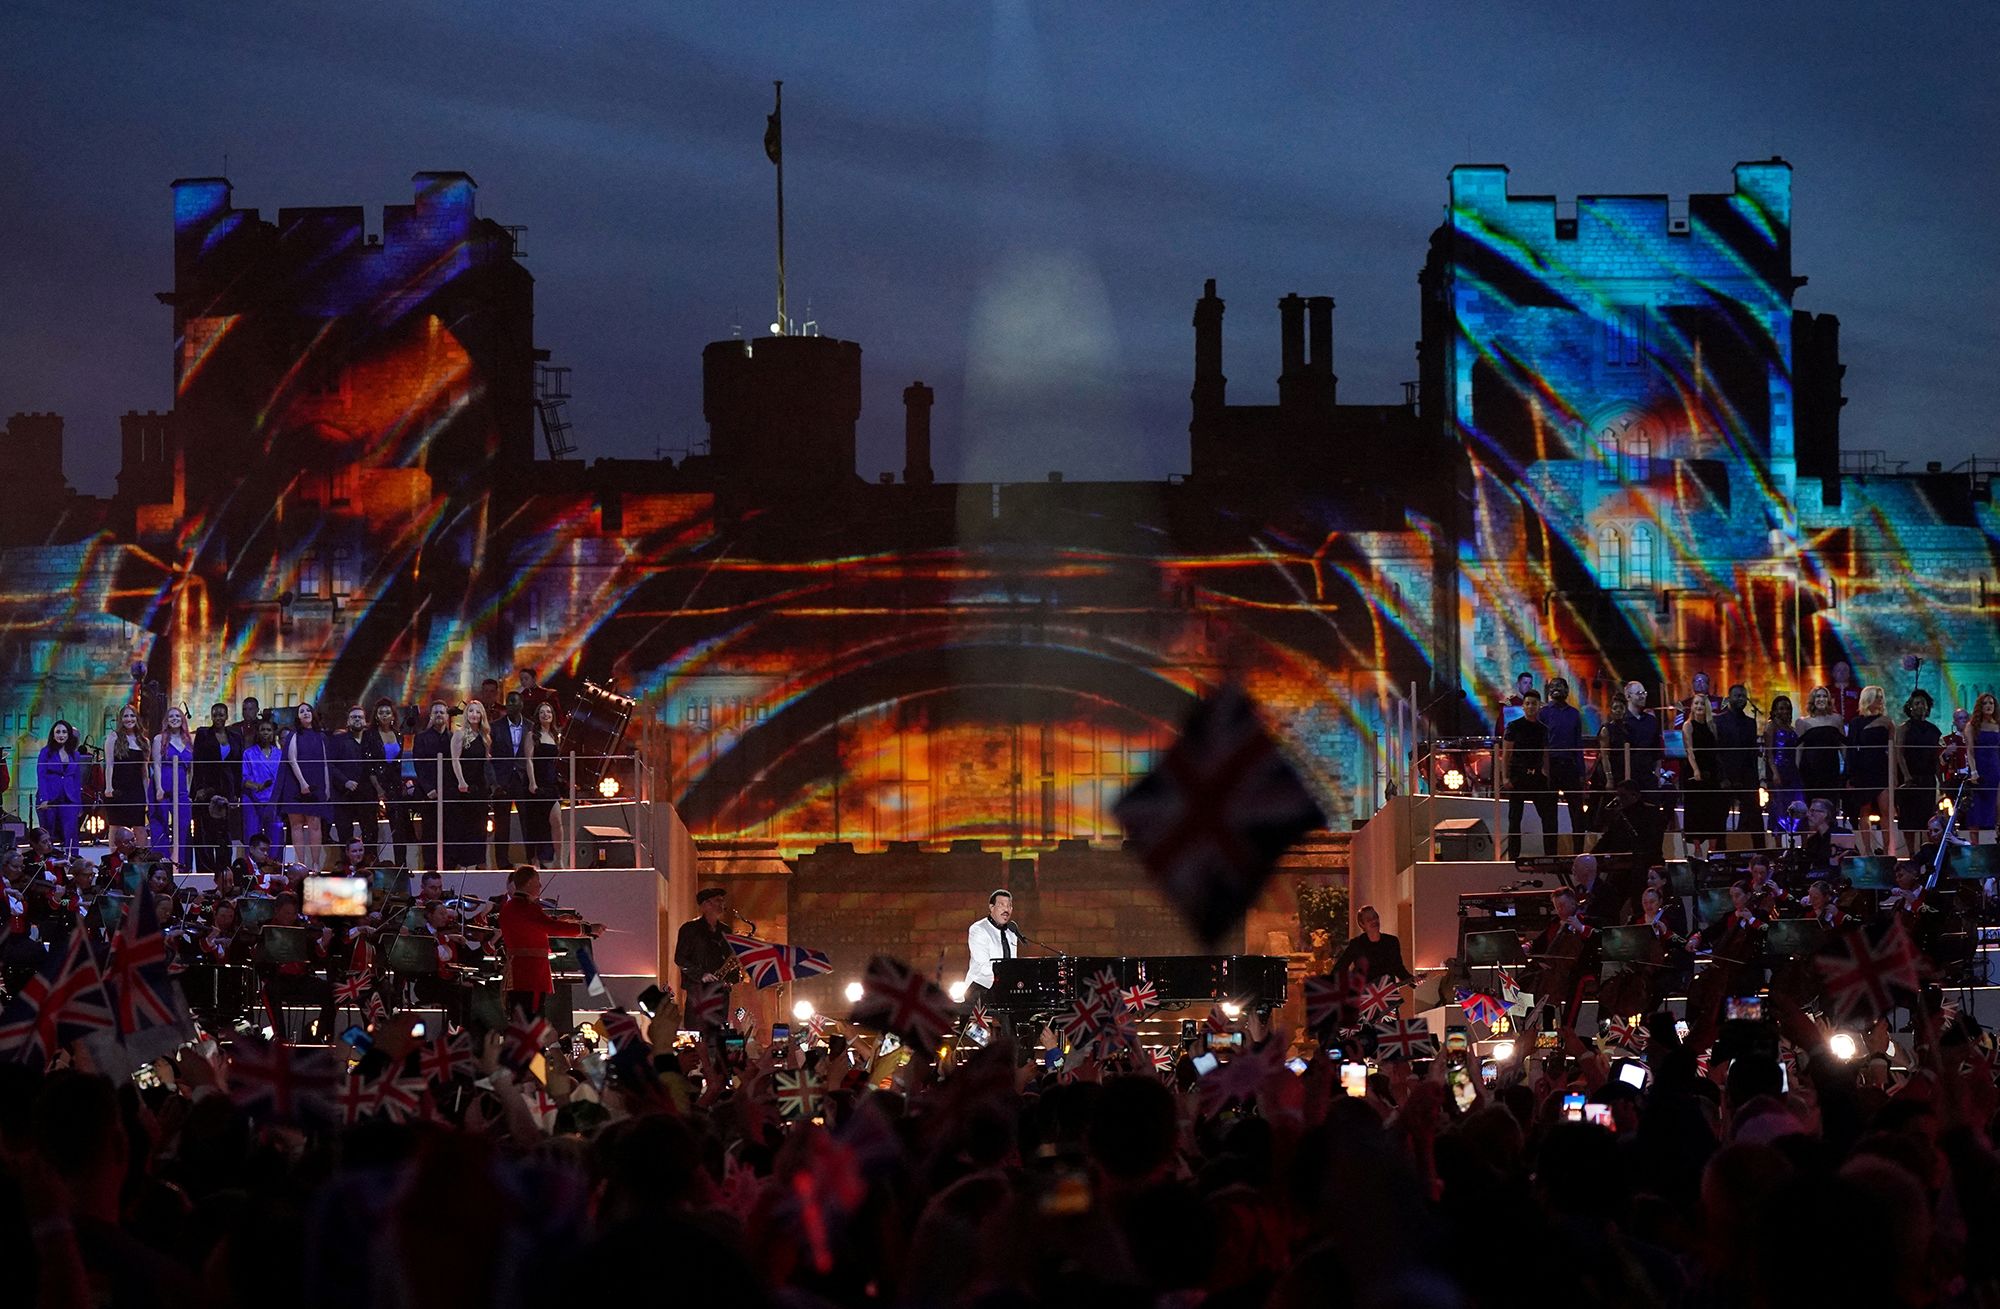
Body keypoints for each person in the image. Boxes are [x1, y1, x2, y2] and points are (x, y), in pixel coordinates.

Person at [498, 863, 600, 1019]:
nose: (540, 885)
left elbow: (532, 926)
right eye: (537, 881)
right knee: (533, 1018)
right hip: (532, 973)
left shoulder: (509, 908)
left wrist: (557, 919)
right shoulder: (528, 908)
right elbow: (550, 927)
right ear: (529, 883)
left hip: (517, 972)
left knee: (521, 1018)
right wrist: (586, 929)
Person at [273, 701, 332, 872]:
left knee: (315, 823)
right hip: (295, 784)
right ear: (297, 717)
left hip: (316, 783)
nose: (305, 713)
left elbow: (326, 763)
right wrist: (302, 783)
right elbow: (292, 760)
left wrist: (327, 787)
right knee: (296, 824)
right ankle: (301, 863)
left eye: (308, 710)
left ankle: (315, 863)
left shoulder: (320, 736)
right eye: (301, 711)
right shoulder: (294, 735)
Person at [1501, 687, 1554, 859]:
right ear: (1523, 706)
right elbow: (1506, 754)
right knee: (1515, 818)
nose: (1531, 707)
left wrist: (1546, 774)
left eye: (1534, 704)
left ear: (1539, 706)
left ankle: (1550, 855)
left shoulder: (1543, 729)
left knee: (1547, 817)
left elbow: (1545, 753)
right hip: (1518, 775)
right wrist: (1505, 777)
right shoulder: (1514, 726)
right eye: (1528, 704)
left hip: (1537, 777)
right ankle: (1513, 857)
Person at [1845, 686, 1897, 856]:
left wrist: (1894, 774)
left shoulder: (1887, 721)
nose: (1881, 700)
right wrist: (1850, 776)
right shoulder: (1856, 722)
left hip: (1881, 768)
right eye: (1877, 697)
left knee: (1886, 811)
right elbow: (1851, 749)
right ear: (1868, 699)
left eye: (1881, 697)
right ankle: (1867, 850)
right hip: (1863, 769)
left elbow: (1893, 749)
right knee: (1864, 811)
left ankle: (1888, 850)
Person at [191, 701, 242, 873]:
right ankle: (205, 870)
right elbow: (197, 762)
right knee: (204, 832)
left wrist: (236, 793)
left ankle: (223, 870)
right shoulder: (203, 734)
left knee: (224, 833)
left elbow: (237, 766)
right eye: (215, 715)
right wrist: (199, 788)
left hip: (226, 789)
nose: (218, 718)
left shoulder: (235, 736)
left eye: (221, 714)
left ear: (227, 716)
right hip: (205, 787)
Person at [1892, 689, 1942, 854]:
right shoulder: (1904, 728)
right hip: (1909, 779)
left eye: (1923, 703)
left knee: (1927, 816)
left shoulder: (1934, 730)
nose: (1920, 706)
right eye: (1917, 703)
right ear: (1910, 707)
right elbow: (1899, 753)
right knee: (1909, 818)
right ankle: (1911, 854)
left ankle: (1927, 852)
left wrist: (1940, 781)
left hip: (1927, 778)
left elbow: (1935, 757)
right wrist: (1906, 776)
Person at [1540, 677, 1590, 839]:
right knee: (1549, 814)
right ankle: (1550, 853)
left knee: (1577, 811)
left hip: (1570, 766)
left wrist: (1582, 772)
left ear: (1567, 691)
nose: (1557, 689)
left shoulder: (1574, 714)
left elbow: (1578, 744)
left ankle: (1579, 852)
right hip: (1550, 766)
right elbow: (1541, 743)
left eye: (1560, 686)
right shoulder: (1544, 713)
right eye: (1553, 686)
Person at [1714, 684, 1763, 848]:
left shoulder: (1750, 722)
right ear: (1729, 698)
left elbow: (1751, 752)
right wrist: (1722, 777)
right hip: (1726, 776)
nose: (1741, 699)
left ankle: (1760, 851)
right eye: (1737, 696)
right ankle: (1719, 853)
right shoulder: (1718, 720)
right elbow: (1716, 752)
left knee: (1755, 815)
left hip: (1747, 776)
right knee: (1720, 817)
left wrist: (1755, 781)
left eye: (1743, 696)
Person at [447, 698, 494, 868]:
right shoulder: (459, 734)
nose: (474, 714)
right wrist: (461, 782)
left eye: (478, 711)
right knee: (465, 829)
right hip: (465, 788)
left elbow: (486, 763)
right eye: (471, 711)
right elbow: (455, 760)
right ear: (467, 714)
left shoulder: (485, 737)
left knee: (480, 828)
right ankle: (463, 865)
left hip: (480, 788)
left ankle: (478, 865)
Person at [366, 697, 412, 864]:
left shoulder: (398, 734)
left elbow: (399, 763)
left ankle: (401, 865)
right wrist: (378, 788)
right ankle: (372, 865)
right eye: (381, 713)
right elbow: (369, 764)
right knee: (371, 828)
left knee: (399, 827)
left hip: (395, 783)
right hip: (375, 783)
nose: (384, 716)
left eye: (387, 712)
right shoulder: (369, 735)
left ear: (393, 715)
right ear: (376, 716)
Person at [1680, 693, 1725, 860]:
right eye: (1696, 703)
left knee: (1712, 810)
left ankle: (1712, 849)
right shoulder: (1688, 725)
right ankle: (1697, 849)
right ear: (1692, 706)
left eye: (1702, 704)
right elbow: (1689, 751)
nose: (1699, 706)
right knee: (1695, 810)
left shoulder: (1712, 725)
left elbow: (1716, 751)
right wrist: (1696, 770)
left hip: (1711, 771)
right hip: (1694, 772)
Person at [962, 888, 1024, 1005]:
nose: (1006, 909)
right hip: (980, 990)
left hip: (1004, 990)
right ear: (991, 907)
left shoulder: (1011, 932)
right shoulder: (979, 929)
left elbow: (1012, 962)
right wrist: (1008, 977)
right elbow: (983, 966)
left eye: (1009, 906)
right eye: (1001, 905)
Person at [150, 706, 197, 859]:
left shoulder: (189, 741)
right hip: (162, 786)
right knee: (160, 825)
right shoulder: (159, 739)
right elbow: (156, 764)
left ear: (182, 719)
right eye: (171, 716)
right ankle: (161, 862)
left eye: (177, 716)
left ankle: (181, 863)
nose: (174, 719)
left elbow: (191, 770)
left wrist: (189, 791)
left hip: (182, 789)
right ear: (166, 720)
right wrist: (158, 788)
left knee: (183, 826)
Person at [521, 698, 564, 866]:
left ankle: (558, 859)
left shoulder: (555, 736)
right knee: (536, 824)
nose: (545, 715)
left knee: (557, 820)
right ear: (537, 716)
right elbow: (529, 760)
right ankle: (535, 860)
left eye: (548, 712)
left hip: (551, 782)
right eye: (542, 712)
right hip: (536, 783)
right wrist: (532, 782)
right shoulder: (532, 735)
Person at [410, 700, 452, 867]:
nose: (439, 715)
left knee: (449, 831)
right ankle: (430, 866)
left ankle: (448, 865)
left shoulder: (454, 737)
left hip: (450, 793)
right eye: (436, 713)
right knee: (429, 832)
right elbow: (419, 765)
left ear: (447, 715)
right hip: (429, 794)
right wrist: (429, 788)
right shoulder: (421, 738)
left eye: (442, 712)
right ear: (431, 716)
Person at [491, 691, 532, 864]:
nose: (510, 706)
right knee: (502, 824)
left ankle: (531, 858)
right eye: (508, 703)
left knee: (527, 821)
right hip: (502, 780)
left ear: (521, 705)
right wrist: (494, 783)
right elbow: (490, 756)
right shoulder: (495, 726)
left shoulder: (530, 726)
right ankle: (502, 862)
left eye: (514, 703)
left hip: (523, 779)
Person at [674, 886, 738, 996]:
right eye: (718, 901)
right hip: (698, 989)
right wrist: (701, 975)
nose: (722, 904)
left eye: (722, 901)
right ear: (705, 904)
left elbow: (729, 958)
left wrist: (730, 979)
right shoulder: (689, 929)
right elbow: (680, 958)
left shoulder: (725, 930)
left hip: (721, 990)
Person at [35, 719, 85, 856]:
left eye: (64, 732)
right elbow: (41, 776)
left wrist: (79, 804)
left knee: (71, 834)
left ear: (69, 734)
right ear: (53, 734)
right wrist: (43, 798)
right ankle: (47, 864)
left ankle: (74, 863)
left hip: (69, 798)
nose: (61, 735)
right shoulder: (46, 752)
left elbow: (76, 780)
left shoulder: (75, 754)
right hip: (50, 798)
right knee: (47, 834)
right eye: (58, 732)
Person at [1331, 903, 1413, 985]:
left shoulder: (1391, 942)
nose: (1374, 921)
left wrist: (1412, 981)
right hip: (1366, 994)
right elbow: (1340, 967)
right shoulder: (1357, 944)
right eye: (1369, 919)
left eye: (1375, 917)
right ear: (1362, 924)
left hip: (1387, 992)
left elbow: (1398, 968)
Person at [1794, 687, 1847, 813]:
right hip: (1810, 770)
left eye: (1824, 696)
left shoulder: (1837, 719)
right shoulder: (1803, 722)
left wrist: (1847, 768)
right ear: (1813, 700)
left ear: (1829, 700)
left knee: (1830, 804)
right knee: (1812, 804)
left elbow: (1843, 745)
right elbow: (1799, 749)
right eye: (1818, 696)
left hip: (1830, 769)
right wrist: (1797, 771)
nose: (1821, 699)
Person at [99, 704, 150, 835]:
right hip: (117, 789)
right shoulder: (113, 737)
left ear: (137, 718)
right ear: (120, 719)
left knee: (139, 826)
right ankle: (114, 856)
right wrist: (109, 787)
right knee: (116, 826)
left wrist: (147, 795)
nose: (129, 719)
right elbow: (109, 764)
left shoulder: (144, 741)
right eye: (125, 716)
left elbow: (144, 772)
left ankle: (140, 855)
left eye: (132, 715)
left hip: (136, 789)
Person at [1606, 681, 1662, 791]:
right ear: (1628, 696)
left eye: (1644, 693)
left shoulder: (1651, 721)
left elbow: (1657, 751)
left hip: (1647, 777)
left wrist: (1657, 774)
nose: (1643, 696)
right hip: (1625, 778)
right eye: (1639, 693)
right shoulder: (1620, 722)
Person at [238, 717, 282, 852]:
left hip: (273, 801)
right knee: (252, 835)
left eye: (269, 730)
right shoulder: (248, 753)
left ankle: (273, 866)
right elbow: (244, 779)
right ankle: (252, 868)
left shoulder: (280, 754)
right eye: (262, 730)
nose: (265, 733)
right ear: (258, 732)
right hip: (252, 800)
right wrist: (258, 787)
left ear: (273, 733)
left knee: (275, 836)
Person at [1763, 693, 1804, 834]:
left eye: (1787, 708)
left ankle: (1801, 845)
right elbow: (1769, 753)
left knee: (1798, 804)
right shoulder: (1771, 726)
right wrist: (1774, 773)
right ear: (1774, 710)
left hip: (1792, 771)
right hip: (1778, 770)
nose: (1784, 711)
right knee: (1778, 807)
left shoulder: (1791, 728)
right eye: (1781, 708)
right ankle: (1779, 846)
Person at [1968, 692, 2000, 844]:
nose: (1989, 706)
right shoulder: (1972, 726)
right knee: (1976, 810)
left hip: (1995, 768)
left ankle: (1995, 844)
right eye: (1985, 703)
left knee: (1996, 806)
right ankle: (1975, 847)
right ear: (1980, 707)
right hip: (1979, 770)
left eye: (1991, 703)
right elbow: (1970, 750)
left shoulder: (1998, 725)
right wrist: (1974, 771)